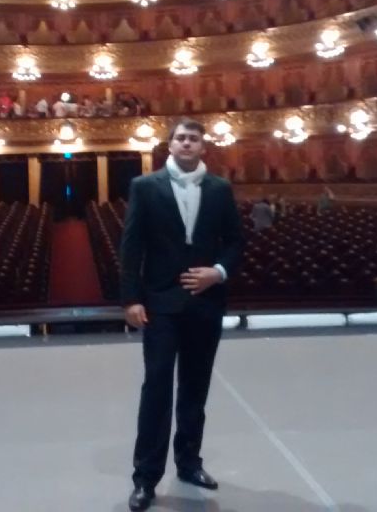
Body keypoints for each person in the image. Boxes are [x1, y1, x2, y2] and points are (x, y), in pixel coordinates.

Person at [120, 119, 245, 511]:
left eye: (193, 138)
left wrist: (218, 272)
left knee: (195, 387)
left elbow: (235, 242)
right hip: (160, 303)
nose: (187, 143)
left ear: (203, 147)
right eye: (180, 138)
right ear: (170, 145)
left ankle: (189, 463)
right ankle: (145, 478)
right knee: (157, 388)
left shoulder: (220, 189)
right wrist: (131, 299)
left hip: (205, 302)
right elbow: (131, 246)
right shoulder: (145, 186)